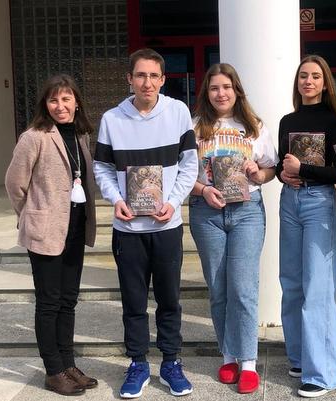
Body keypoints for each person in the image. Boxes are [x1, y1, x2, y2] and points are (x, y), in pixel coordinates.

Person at [93, 48, 198, 399]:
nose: (147, 83)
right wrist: (116, 199)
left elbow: (189, 165)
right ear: (129, 79)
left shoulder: (178, 112)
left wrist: (173, 202)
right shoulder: (112, 119)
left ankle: (170, 362)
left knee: (169, 299)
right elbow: (102, 168)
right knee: (134, 301)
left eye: (154, 76)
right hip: (128, 230)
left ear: (163, 80)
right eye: (140, 75)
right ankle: (137, 363)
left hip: (166, 226)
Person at [4, 74, 98, 396]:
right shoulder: (34, 137)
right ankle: (53, 370)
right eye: (53, 100)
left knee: (68, 300)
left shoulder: (81, 135)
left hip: (75, 229)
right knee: (49, 302)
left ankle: (68, 364)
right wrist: (31, 215)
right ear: (45, 104)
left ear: (76, 102)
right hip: (45, 231)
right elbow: (14, 183)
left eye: (66, 99)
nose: (60, 105)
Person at [188, 63, 278, 394]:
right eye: (214, 88)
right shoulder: (194, 127)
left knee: (243, 288)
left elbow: (270, 169)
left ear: (237, 90)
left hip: (247, 211)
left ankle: (249, 361)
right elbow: (181, 175)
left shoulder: (254, 126)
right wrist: (202, 190)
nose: (221, 93)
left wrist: (258, 173)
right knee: (218, 288)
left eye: (226, 87)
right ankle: (228, 356)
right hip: (206, 212)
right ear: (206, 93)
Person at [276, 55, 336, 398]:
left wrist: (303, 169)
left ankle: (322, 374)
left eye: (315, 76)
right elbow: (281, 164)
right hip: (289, 201)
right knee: (291, 282)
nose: (308, 81)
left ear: (325, 83)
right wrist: (283, 174)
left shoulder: (335, 122)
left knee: (318, 285)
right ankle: (300, 357)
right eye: (303, 75)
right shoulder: (287, 121)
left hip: (318, 201)